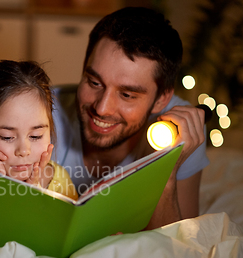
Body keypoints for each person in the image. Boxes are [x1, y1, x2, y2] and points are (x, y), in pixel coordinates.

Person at [52, 7, 209, 229]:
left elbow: (181, 249)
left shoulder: (181, 129)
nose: (102, 108)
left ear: (162, 99)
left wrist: (165, 172)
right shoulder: (40, 113)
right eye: (94, 82)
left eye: (127, 94)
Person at [0, 60, 78, 200]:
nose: (24, 151)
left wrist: (32, 197)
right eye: (7, 137)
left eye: (36, 136)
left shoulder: (59, 181)